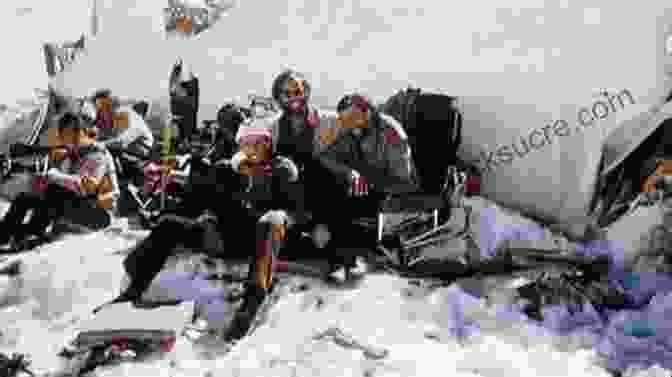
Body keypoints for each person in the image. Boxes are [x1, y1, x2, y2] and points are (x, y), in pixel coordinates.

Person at [109, 121, 304, 337]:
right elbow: (207, 198)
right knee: (169, 225)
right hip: (228, 235)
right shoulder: (233, 167)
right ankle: (135, 288)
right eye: (244, 145)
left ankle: (249, 307)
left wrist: (258, 185)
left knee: (271, 221)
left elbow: (295, 211)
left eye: (254, 144)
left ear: (267, 143)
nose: (249, 149)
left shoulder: (283, 168)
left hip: (261, 240)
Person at [313, 93, 418, 276]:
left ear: (368, 111)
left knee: (347, 204)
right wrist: (349, 173)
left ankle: (350, 257)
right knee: (325, 181)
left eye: (355, 115)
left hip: (395, 191)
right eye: (345, 118)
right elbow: (326, 157)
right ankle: (339, 255)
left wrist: (369, 181)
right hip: (364, 187)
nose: (351, 121)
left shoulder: (390, 132)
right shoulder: (351, 130)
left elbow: (403, 178)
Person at [0, 112, 119, 251]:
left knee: (55, 191)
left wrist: (53, 175)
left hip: (100, 215)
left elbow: (85, 187)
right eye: (63, 134)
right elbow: (51, 183)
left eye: (67, 134)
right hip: (79, 206)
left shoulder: (97, 154)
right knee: (24, 199)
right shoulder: (73, 154)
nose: (64, 139)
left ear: (80, 131)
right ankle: (4, 236)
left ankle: (32, 234)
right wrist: (25, 170)